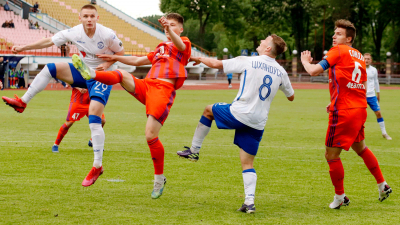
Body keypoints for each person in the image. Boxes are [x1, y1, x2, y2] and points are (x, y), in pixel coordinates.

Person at [2, 4, 124, 187]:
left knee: (94, 119)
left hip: (102, 76)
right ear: (80, 18)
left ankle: (97, 165)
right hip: (83, 72)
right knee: (51, 68)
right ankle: (23, 102)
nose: (89, 19)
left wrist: (105, 67)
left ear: (97, 18)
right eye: (86, 16)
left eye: (92, 16)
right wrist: (23, 47)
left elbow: (121, 53)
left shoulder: (107, 34)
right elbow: (48, 41)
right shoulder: (74, 32)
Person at [72, 13, 191, 199]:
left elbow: (181, 45)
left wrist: (168, 28)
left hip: (163, 90)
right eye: (167, 26)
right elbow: (137, 61)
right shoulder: (161, 47)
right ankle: (92, 74)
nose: (168, 28)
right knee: (121, 73)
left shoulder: (184, 44)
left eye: (173, 25)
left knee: (150, 135)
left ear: (180, 29)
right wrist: (114, 58)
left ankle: (159, 179)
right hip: (147, 85)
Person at [178, 34, 294, 214]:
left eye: (264, 40)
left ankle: (194, 151)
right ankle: (249, 202)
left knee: (208, 110)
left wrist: (196, 58)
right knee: (247, 163)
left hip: (239, 113)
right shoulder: (281, 71)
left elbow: (217, 64)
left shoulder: (249, 61)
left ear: (268, 48)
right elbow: (291, 96)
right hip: (258, 122)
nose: (261, 41)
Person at [300, 19, 392, 209]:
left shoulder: (338, 51)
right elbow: (362, 84)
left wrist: (304, 62)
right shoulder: (358, 55)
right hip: (359, 109)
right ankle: (382, 185)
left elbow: (314, 71)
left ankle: (340, 196)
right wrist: (335, 98)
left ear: (348, 38)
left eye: (339, 34)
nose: (334, 36)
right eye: (334, 33)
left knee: (331, 155)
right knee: (362, 149)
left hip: (343, 111)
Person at [52, 87, 106, 153]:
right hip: (78, 102)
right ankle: (56, 144)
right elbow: (70, 81)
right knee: (69, 123)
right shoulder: (79, 76)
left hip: (92, 102)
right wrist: (79, 88)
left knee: (102, 121)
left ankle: (93, 140)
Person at [364, 53, 391, 140]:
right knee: (358, 115)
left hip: (372, 95)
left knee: (378, 113)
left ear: (371, 60)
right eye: (365, 58)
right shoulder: (360, 69)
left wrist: (378, 93)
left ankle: (384, 133)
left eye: (368, 59)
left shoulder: (374, 70)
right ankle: (355, 134)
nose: (367, 60)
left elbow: (376, 81)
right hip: (362, 95)